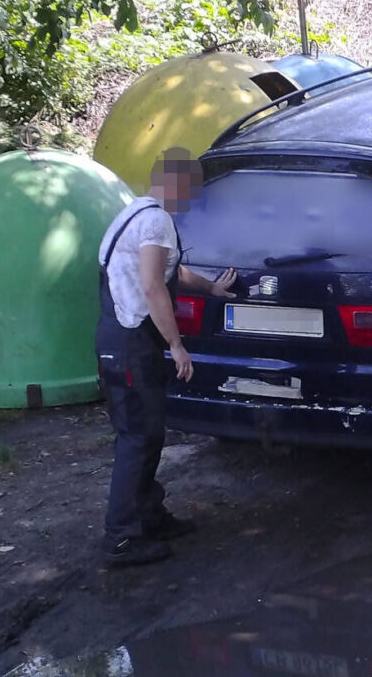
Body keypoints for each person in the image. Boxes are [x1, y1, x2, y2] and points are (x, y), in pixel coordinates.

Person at [96, 147, 236, 567]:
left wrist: (209, 287)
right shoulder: (156, 221)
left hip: (118, 339)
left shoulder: (135, 213)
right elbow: (155, 286)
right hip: (130, 344)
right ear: (174, 182)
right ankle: (121, 538)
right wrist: (176, 344)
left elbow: (170, 271)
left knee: (148, 433)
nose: (192, 197)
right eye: (191, 188)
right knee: (138, 438)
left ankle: (149, 516)